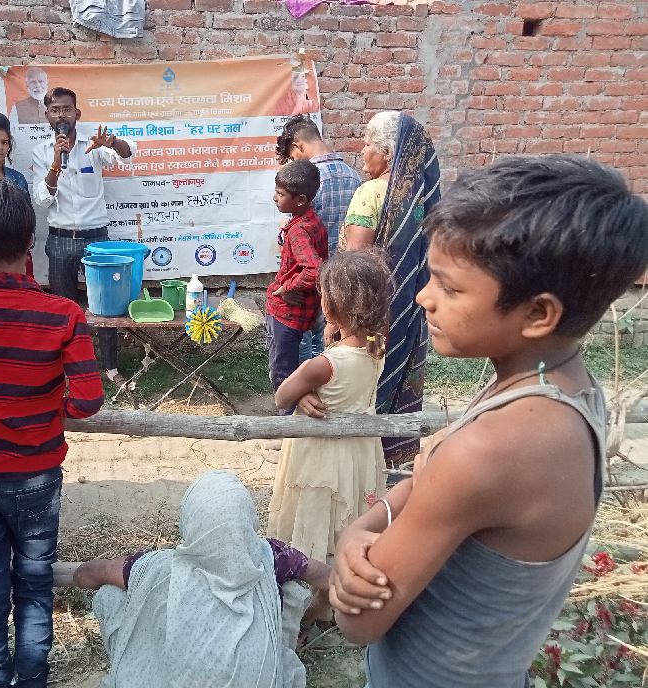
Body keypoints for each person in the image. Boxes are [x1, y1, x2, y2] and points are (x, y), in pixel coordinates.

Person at [329, 155, 648, 687]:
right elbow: (433, 479)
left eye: (450, 287)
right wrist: (375, 519)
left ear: (537, 314)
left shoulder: (493, 449)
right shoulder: (559, 386)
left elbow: (357, 622)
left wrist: (354, 543)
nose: (423, 297)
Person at [0, 179, 105, 688]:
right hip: (36, 475)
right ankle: (32, 678)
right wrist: (46, 406)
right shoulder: (64, 314)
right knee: (35, 585)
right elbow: (88, 400)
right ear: (31, 239)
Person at [73, 470, 332, 688]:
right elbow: (329, 578)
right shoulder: (272, 556)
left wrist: (75, 575)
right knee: (286, 589)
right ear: (248, 519)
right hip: (260, 681)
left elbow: (90, 574)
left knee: (111, 595)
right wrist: (311, 615)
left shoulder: (159, 566)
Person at [268, 250, 391, 563]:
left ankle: (313, 577)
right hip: (359, 449)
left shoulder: (322, 365)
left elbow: (281, 396)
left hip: (321, 454)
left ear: (331, 305)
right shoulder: (378, 345)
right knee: (346, 510)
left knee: (318, 508)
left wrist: (299, 395)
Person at [340, 111, 441, 467]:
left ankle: (360, 459)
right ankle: (396, 453)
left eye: (368, 143)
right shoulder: (422, 197)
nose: (362, 150)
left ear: (387, 154)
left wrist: (337, 319)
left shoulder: (369, 193)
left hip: (369, 313)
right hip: (409, 308)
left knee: (362, 381)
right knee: (399, 373)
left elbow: (354, 263)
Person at [33, 86, 137, 386]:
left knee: (106, 305)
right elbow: (42, 199)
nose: (61, 115)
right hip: (60, 239)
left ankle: (111, 367)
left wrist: (113, 142)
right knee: (63, 308)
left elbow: (128, 154)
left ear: (76, 113)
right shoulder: (42, 152)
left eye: (66, 109)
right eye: (55, 110)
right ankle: (69, 369)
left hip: (96, 239)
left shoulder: (95, 144)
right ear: (47, 116)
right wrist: (56, 162)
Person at [276, 115, 362, 364]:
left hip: (309, 278)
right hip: (344, 277)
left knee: (304, 344)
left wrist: (288, 283)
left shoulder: (307, 183)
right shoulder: (353, 177)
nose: (294, 164)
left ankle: (305, 384)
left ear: (298, 146)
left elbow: (293, 239)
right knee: (334, 344)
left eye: (292, 157)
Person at [266, 159, 328, 399]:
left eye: (280, 194)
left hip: (287, 313)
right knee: (297, 369)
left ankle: (287, 417)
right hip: (302, 311)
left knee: (283, 374)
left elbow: (314, 269)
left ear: (300, 199)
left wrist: (287, 287)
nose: (275, 198)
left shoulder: (299, 230)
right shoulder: (311, 221)